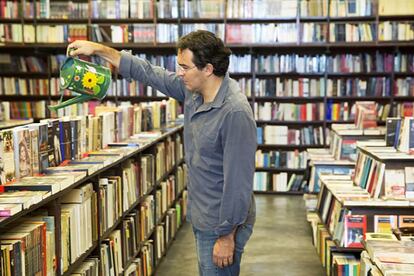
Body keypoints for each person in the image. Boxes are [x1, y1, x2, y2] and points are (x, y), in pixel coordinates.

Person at [68, 30, 257, 276]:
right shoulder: (194, 91)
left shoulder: (235, 113)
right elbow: (151, 73)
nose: (179, 73)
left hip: (221, 224)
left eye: (185, 67)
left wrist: (227, 236)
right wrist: (100, 50)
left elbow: (238, 184)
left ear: (208, 69)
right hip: (203, 214)